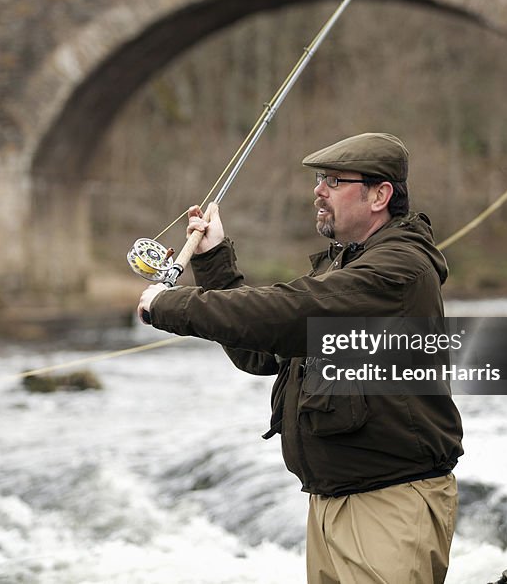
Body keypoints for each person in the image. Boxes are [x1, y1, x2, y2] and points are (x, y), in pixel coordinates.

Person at [137, 132, 464, 584]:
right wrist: (213, 260)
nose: (318, 191)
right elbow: (262, 351)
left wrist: (172, 304)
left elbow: (289, 312)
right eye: (318, 180)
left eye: (333, 180)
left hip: (391, 505)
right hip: (331, 505)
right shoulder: (343, 266)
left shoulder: (397, 270)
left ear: (380, 195)